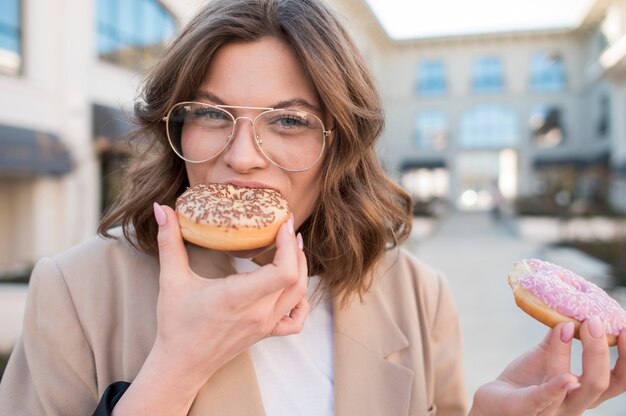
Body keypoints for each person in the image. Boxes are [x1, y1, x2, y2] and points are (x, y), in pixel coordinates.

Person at [1, 0, 625, 415]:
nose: (242, 156)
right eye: (213, 114)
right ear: (177, 127)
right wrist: (175, 368)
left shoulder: (418, 294)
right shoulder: (75, 291)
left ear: (341, 147)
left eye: (290, 121)